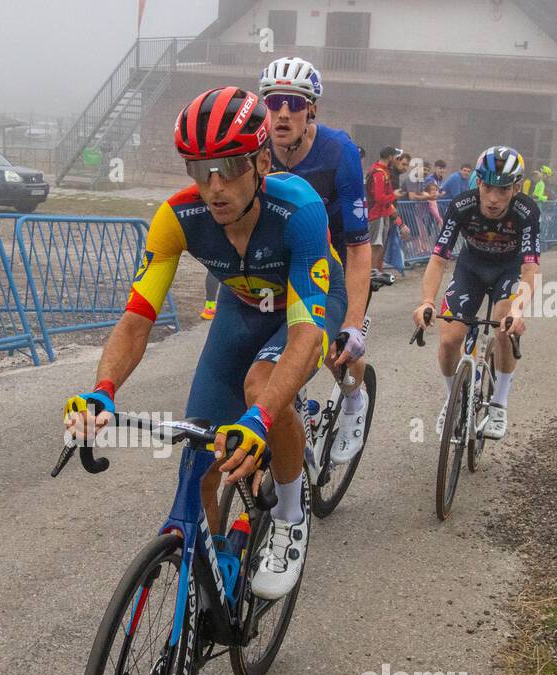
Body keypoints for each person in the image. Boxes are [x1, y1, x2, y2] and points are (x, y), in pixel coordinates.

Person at [65, 87, 345, 599]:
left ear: (262, 161)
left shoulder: (299, 210)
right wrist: (103, 389)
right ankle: (216, 561)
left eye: (229, 166)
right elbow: (137, 317)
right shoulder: (177, 217)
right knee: (199, 459)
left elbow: (307, 334)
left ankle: (288, 513)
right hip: (241, 309)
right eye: (199, 169)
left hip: (303, 309)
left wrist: (259, 417)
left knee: (263, 386)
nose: (214, 185)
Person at [255, 55, 373, 463]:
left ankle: (355, 401)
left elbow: (359, 247)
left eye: (295, 102)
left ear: (312, 109)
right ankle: (294, 419)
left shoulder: (337, 152)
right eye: (274, 102)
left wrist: (353, 322)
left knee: (337, 350)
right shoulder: (257, 148)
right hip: (285, 262)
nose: (284, 112)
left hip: (336, 258)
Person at [412, 146, 541, 443]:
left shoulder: (527, 211)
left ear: (516, 188)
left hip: (507, 272)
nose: (494, 198)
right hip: (471, 269)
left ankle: (499, 403)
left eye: (504, 189)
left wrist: (518, 310)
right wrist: (428, 302)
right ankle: (454, 400)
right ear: (479, 183)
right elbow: (438, 259)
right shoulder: (462, 205)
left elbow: (530, 270)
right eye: (488, 187)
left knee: (503, 328)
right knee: (448, 340)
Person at [367, 146, 410, 272]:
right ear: (390, 157)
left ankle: (375, 271)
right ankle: (371, 273)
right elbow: (379, 198)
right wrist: (394, 195)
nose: (396, 160)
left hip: (383, 213)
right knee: (376, 245)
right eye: (396, 158)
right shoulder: (379, 173)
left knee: (379, 245)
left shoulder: (383, 171)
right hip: (377, 214)